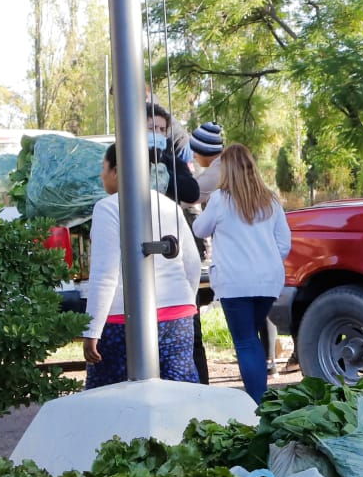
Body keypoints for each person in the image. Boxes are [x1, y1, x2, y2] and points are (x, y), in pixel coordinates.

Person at [81, 143, 202, 388]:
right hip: (177, 316)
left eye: (103, 168)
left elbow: (106, 274)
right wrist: (184, 298)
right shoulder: (169, 205)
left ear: (116, 171)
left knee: (112, 398)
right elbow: (192, 262)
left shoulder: (108, 208)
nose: (102, 175)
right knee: (180, 395)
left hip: (121, 320)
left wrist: (92, 330)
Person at [193, 144, 292, 403]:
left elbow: (200, 230)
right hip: (268, 282)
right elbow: (284, 243)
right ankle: (260, 398)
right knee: (253, 338)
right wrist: (267, 261)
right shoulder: (270, 199)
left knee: (246, 341)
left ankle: (256, 402)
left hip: (234, 282)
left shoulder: (219, 199)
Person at [144, 102, 200, 206]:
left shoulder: (174, 163)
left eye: (162, 130)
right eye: (152, 128)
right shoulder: (124, 160)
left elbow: (193, 193)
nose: (158, 133)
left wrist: (166, 176)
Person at [189, 122, 225, 204]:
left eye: (195, 151)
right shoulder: (224, 164)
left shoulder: (215, 174)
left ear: (205, 151)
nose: (194, 156)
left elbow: (183, 200)